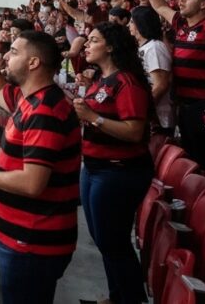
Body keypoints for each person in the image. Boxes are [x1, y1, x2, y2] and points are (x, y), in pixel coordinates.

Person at [0, 15, 81, 304]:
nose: (7, 57)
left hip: (33, 243)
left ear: (33, 63)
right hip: (25, 239)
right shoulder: (32, 98)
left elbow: (32, 183)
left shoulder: (45, 112)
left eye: (14, 52)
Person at [73, 22, 153, 304]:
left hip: (119, 171)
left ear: (110, 46)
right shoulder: (100, 79)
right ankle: (116, 296)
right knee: (105, 241)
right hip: (95, 167)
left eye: (93, 40)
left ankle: (131, 299)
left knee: (114, 243)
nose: (86, 44)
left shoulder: (127, 83)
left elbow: (133, 131)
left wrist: (92, 117)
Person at [143, 0, 205, 168]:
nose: (181, 0)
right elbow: (160, 6)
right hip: (183, 105)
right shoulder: (181, 24)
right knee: (192, 157)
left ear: (204, 4)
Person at [130, 6, 173, 135]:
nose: (129, 25)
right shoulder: (144, 47)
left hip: (159, 116)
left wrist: (144, 109)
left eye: (132, 21)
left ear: (140, 23)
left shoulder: (154, 47)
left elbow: (160, 85)